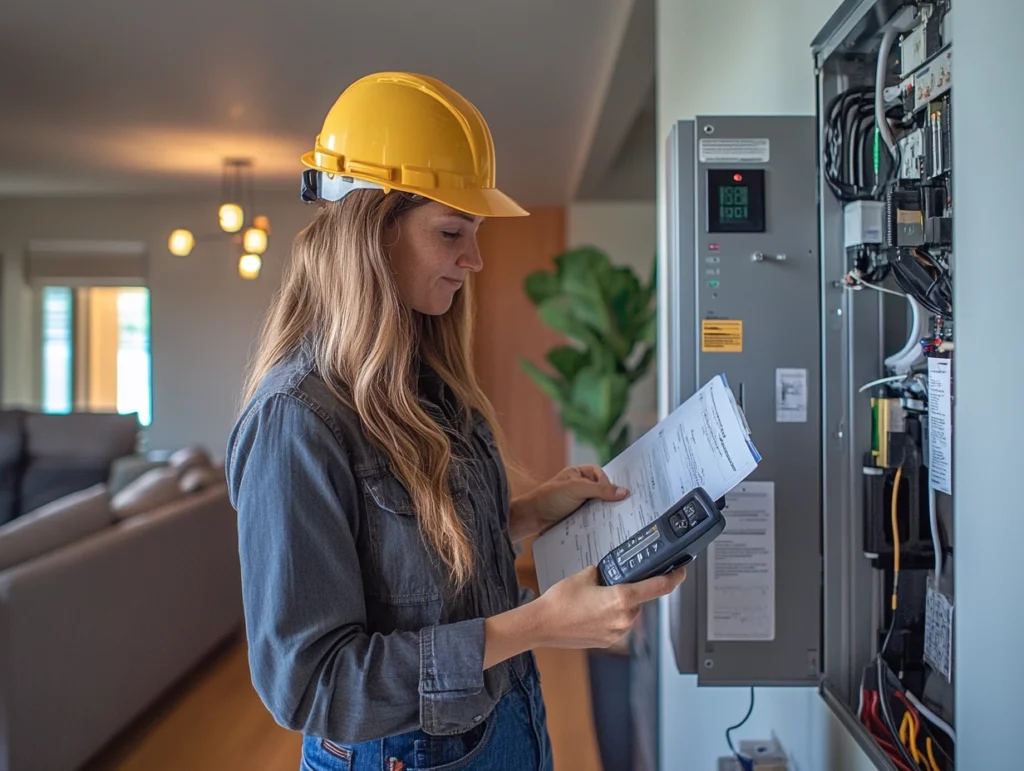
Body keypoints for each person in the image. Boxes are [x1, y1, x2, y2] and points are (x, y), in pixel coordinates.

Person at [225, 71, 687, 771]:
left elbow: (409, 566)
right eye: (451, 233)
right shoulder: (296, 420)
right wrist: (538, 623)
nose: (473, 260)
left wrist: (527, 512)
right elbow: (314, 681)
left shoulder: (426, 381)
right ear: (370, 233)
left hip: (504, 722)